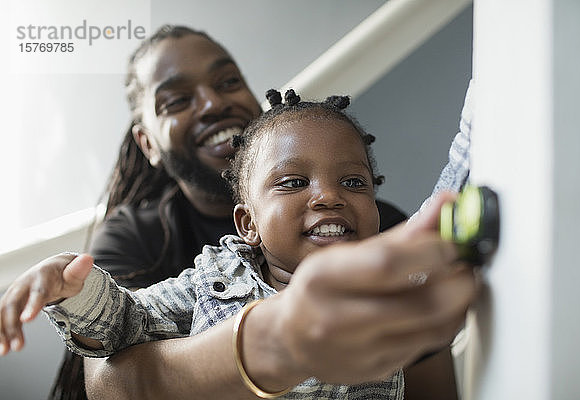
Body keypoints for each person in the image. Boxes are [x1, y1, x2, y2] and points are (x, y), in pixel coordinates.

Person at [0, 90, 477, 399]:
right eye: (293, 183)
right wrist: (72, 288)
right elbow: (125, 327)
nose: (329, 196)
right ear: (248, 224)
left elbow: (448, 200)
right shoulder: (214, 280)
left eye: (354, 182)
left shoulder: (388, 276)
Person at [48, 25, 410, 400]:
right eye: (177, 100)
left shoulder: (383, 239)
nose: (212, 103)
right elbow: (111, 382)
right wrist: (76, 293)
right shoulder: (186, 265)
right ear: (246, 224)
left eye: (227, 81)